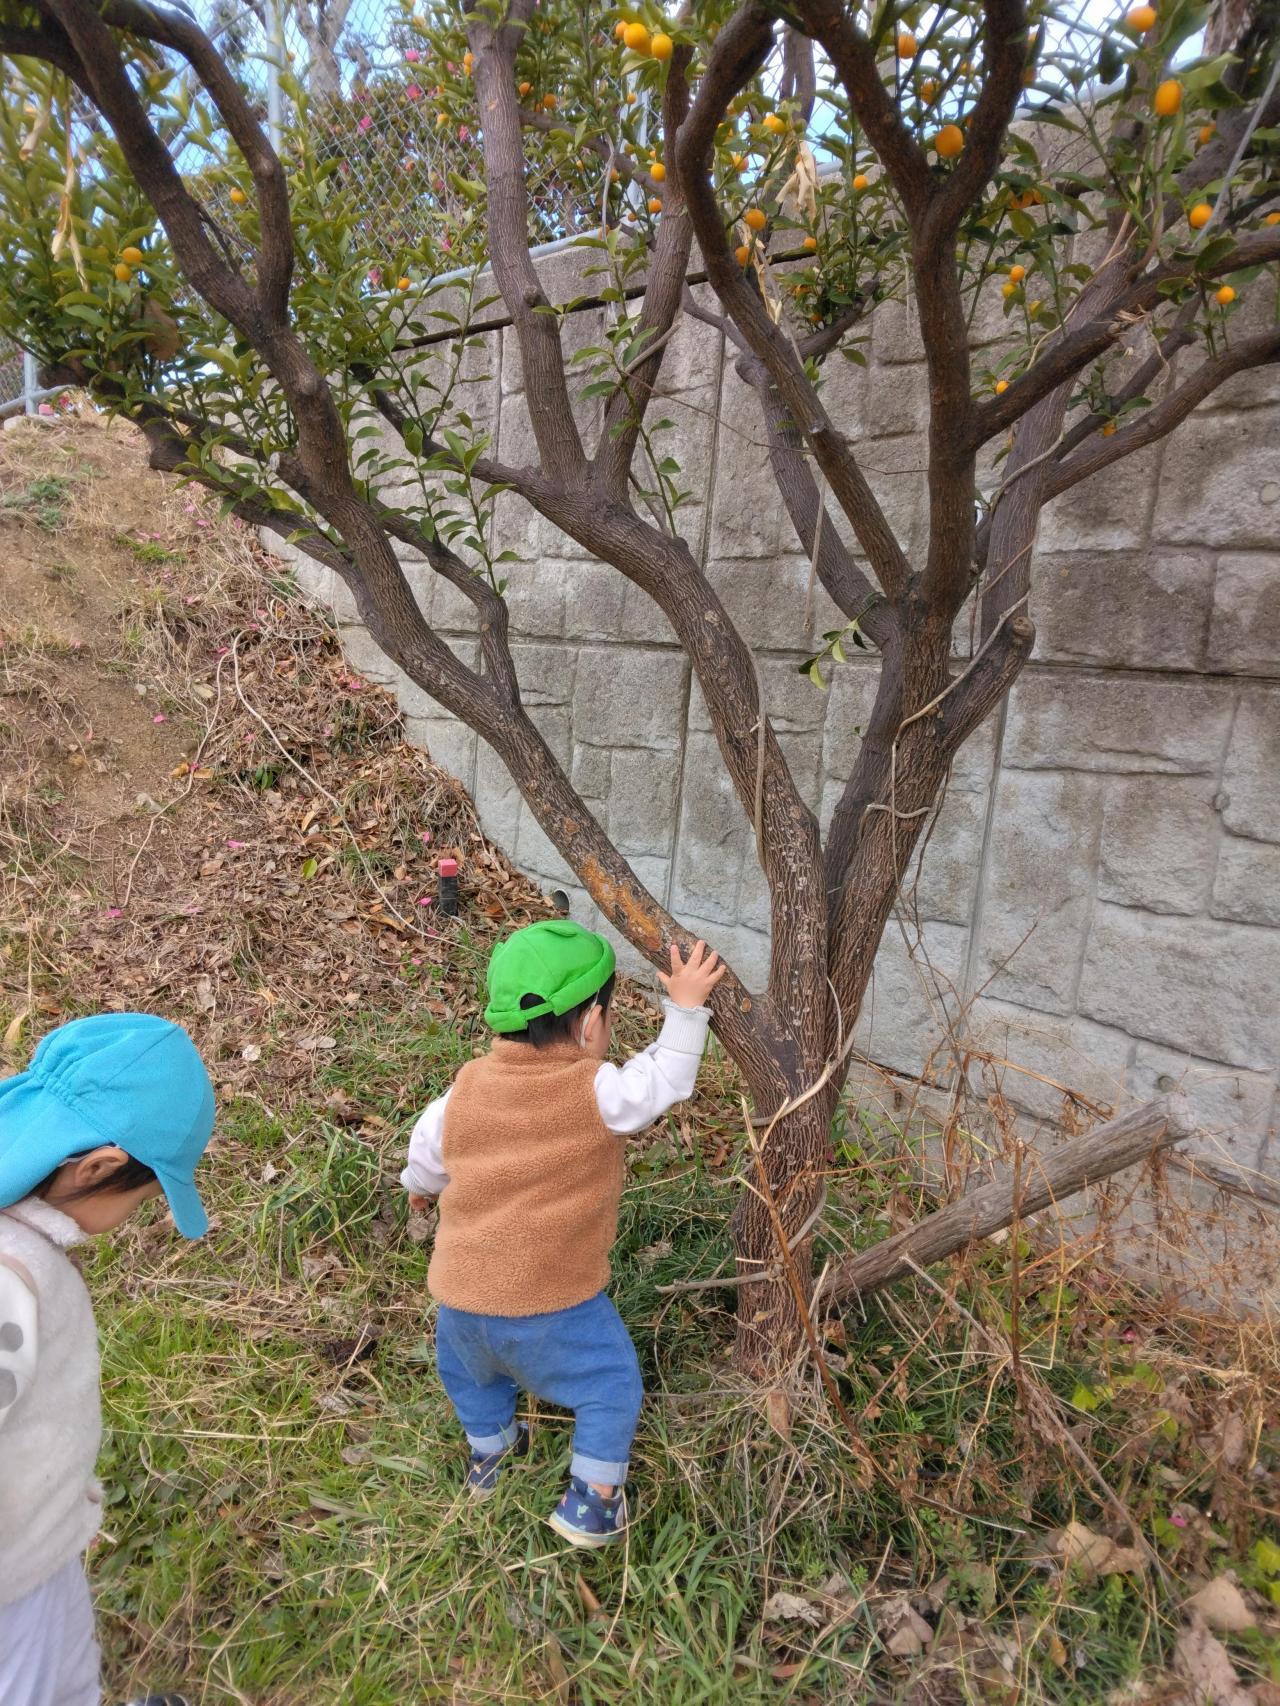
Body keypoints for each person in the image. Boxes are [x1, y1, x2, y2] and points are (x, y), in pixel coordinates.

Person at [402, 920, 724, 1548]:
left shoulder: (462, 1092)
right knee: (610, 1383)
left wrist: (419, 1186)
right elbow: (661, 1081)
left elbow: (426, 1152)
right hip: (551, 1303)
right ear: (590, 1023)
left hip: (461, 1304)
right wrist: (686, 1011)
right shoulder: (592, 1089)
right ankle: (592, 1503)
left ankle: (491, 1457)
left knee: (473, 1379)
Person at [0, 1012, 216, 1706]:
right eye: (144, 1199)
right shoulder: (10, 1280)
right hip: (11, 1576)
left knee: (68, 1668)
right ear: (98, 1168)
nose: (134, 1218)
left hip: (38, 1543)